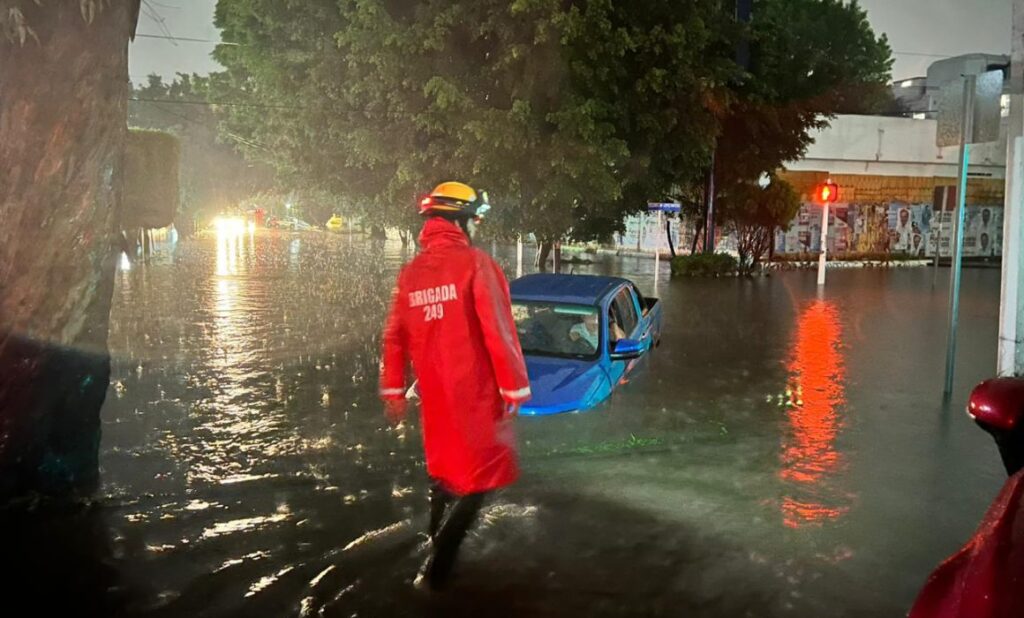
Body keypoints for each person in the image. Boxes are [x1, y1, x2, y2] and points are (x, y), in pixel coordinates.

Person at [379, 181, 531, 591]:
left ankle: (432, 539)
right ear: (462, 221)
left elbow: (395, 337)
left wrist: (394, 390)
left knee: (444, 475)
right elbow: (498, 329)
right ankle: (436, 571)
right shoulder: (476, 264)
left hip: (435, 400)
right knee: (482, 480)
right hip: (476, 396)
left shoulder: (411, 274)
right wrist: (514, 387)